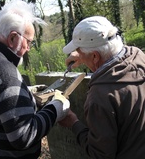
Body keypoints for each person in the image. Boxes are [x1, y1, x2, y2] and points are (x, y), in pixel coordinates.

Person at [0, 0, 70, 158]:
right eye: (28, 41)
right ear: (12, 39)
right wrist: (55, 109)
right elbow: (23, 136)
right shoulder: (5, 73)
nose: (29, 48)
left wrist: (24, 93)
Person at [59, 16, 145, 159]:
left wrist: (74, 123)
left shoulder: (100, 97)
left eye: (79, 51)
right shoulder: (139, 57)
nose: (77, 54)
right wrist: (84, 56)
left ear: (95, 56)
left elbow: (100, 155)